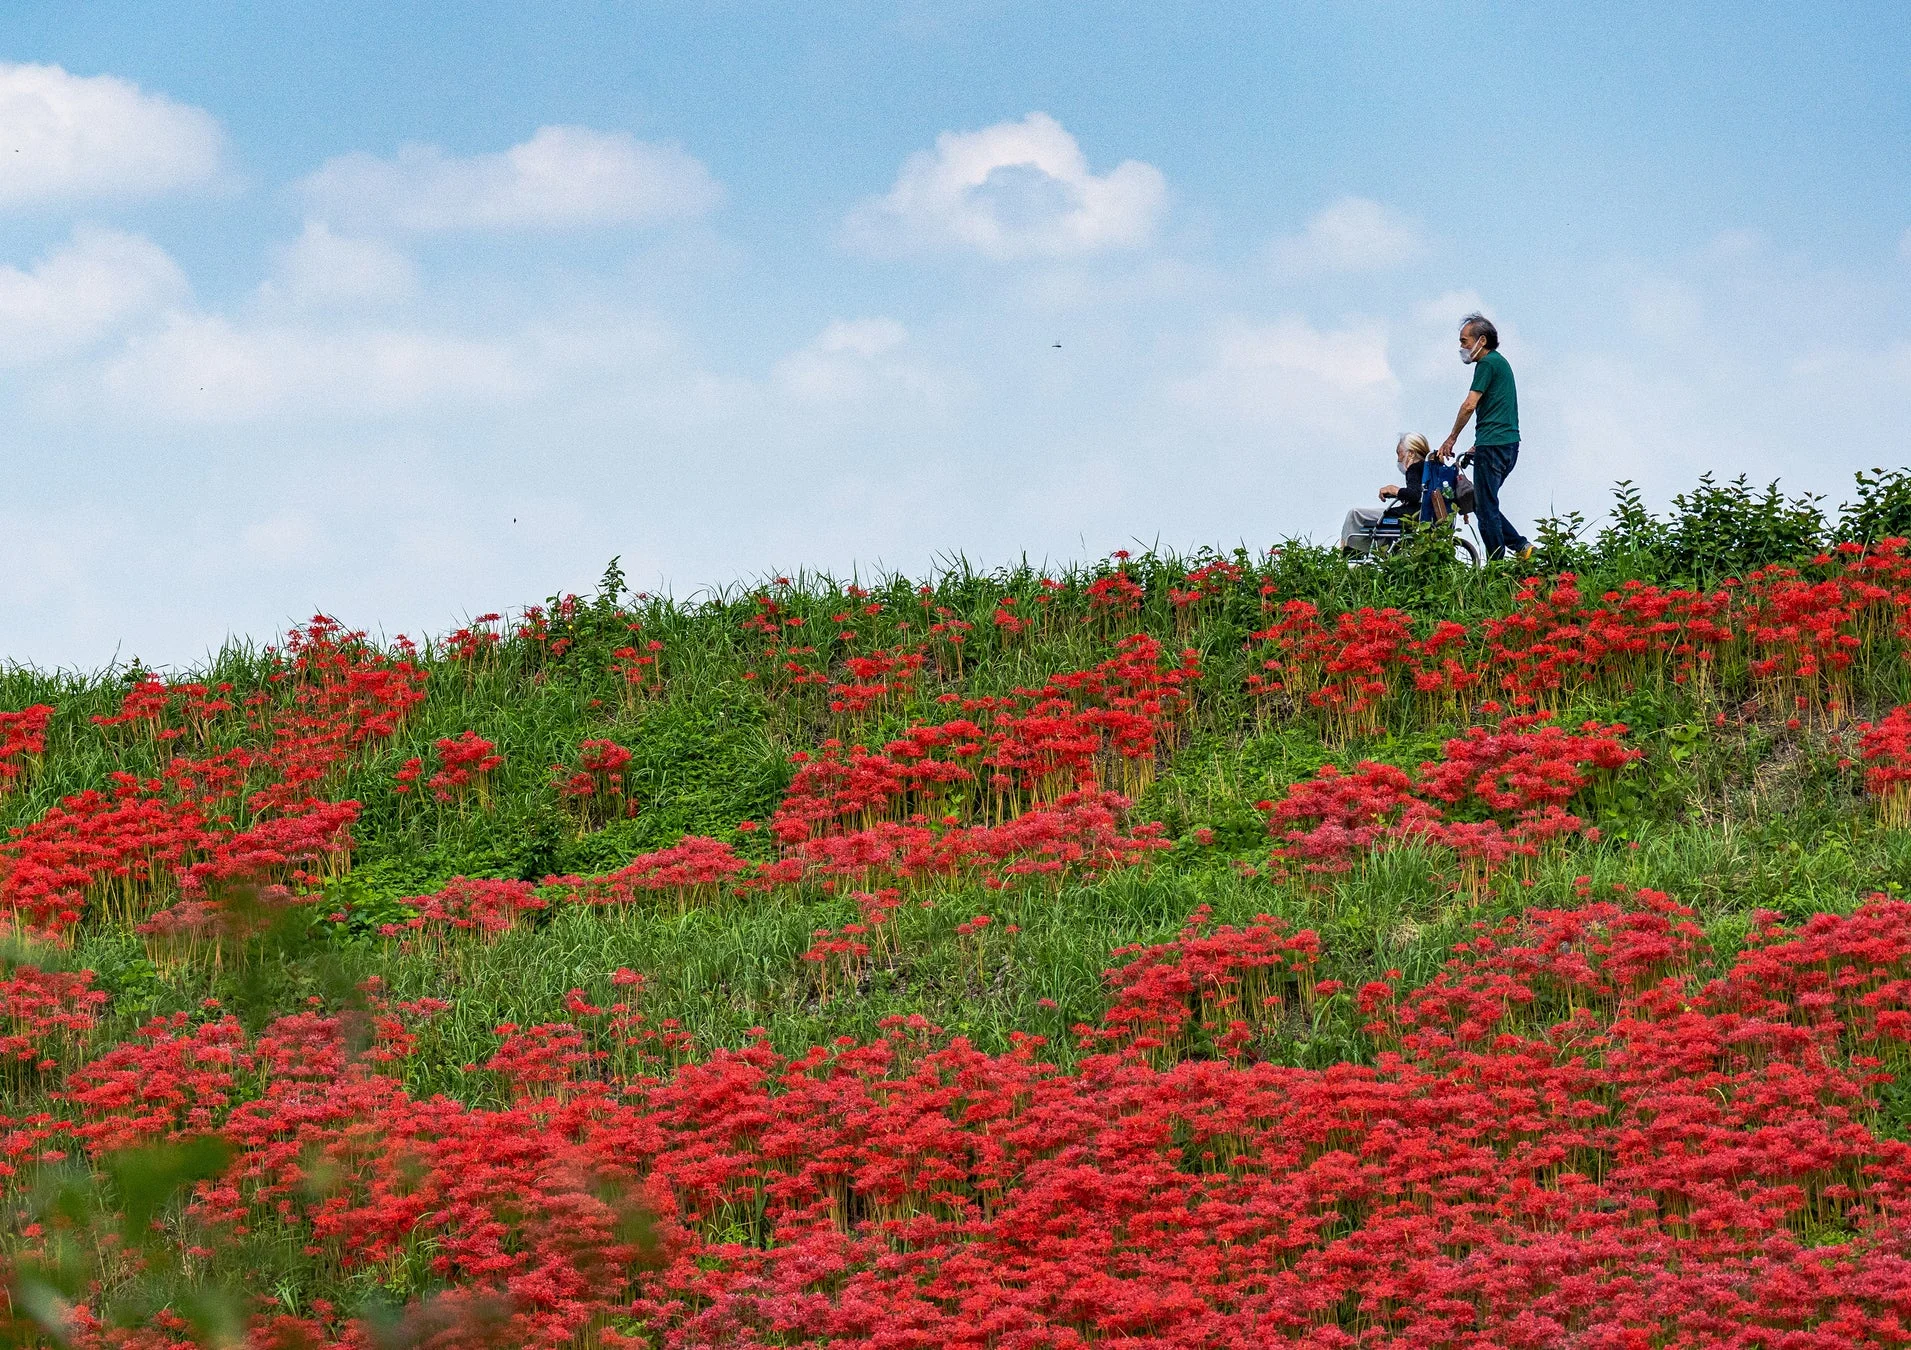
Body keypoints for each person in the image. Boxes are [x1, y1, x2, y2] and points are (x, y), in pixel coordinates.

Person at [1438, 313, 1532, 562]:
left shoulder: (1487, 364)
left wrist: (1451, 439)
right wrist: (1477, 445)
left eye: (1464, 341)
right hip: (1505, 444)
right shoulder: (1500, 364)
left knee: (1485, 507)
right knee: (1484, 502)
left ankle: (1497, 564)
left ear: (1481, 340)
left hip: (1493, 446)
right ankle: (1522, 547)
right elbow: (1498, 410)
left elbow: (1470, 405)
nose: (1462, 347)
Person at [1340, 433, 1432, 555]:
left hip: (1411, 515)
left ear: (1411, 453)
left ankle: (1346, 550)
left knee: (1354, 514)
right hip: (1425, 513)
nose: (1399, 459)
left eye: (1399, 453)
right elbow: (1420, 494)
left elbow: (1415, 495)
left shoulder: (1414, 468)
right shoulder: (1430, 469)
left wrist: (1394, 490)